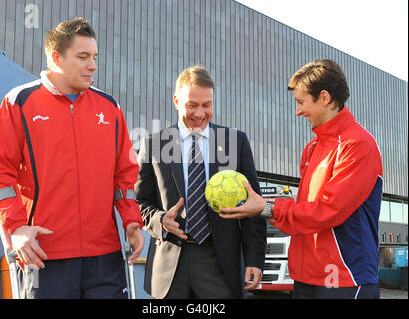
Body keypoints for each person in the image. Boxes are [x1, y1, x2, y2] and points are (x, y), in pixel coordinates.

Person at [0, 17, 144, 299]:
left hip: (105, 257)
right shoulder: (19, 102)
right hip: (45, 255)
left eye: (94, 57)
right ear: (56, 58)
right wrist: (18, 227)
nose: (93, 65)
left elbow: (125, 175)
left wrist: (131, 220)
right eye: (83, 57)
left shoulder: (110, 108)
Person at [220, 59, 383, 299]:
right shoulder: (311, 148)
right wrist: (278, 215)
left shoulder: (357, 145)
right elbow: (307, 210)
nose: (298, 111)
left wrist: (268, 208)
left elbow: (329, 210)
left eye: (301, 102)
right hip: (305, 278)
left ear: (325, 98)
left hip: (344, 278)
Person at [135, 65, 266, 299]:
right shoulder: (153, 145)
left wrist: (255, 259)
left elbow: (253, 206)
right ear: (176, 100)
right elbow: (141, 203)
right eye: (191, 105)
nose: (199, 113)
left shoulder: (235, 142)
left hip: (220, 265)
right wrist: (161, 220)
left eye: (206, 105)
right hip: (169, 268)